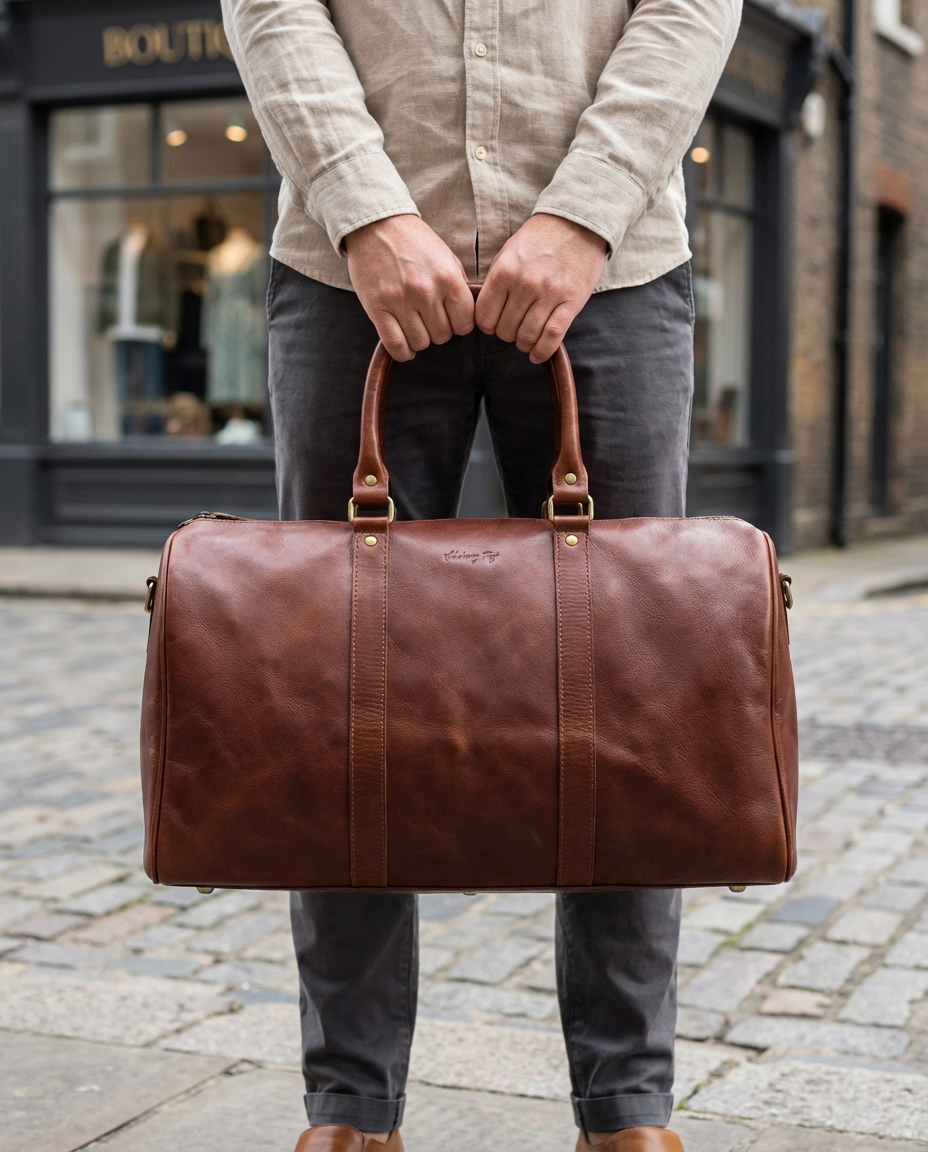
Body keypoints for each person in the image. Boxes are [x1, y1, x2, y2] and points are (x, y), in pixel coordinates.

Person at [221, 2, 741, 1149]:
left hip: (608, 266)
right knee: (335, 686)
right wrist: (366, 208)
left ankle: (626, 1110)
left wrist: (581, 212)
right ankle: (350, 1104)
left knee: (626, 694)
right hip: (349, 264)